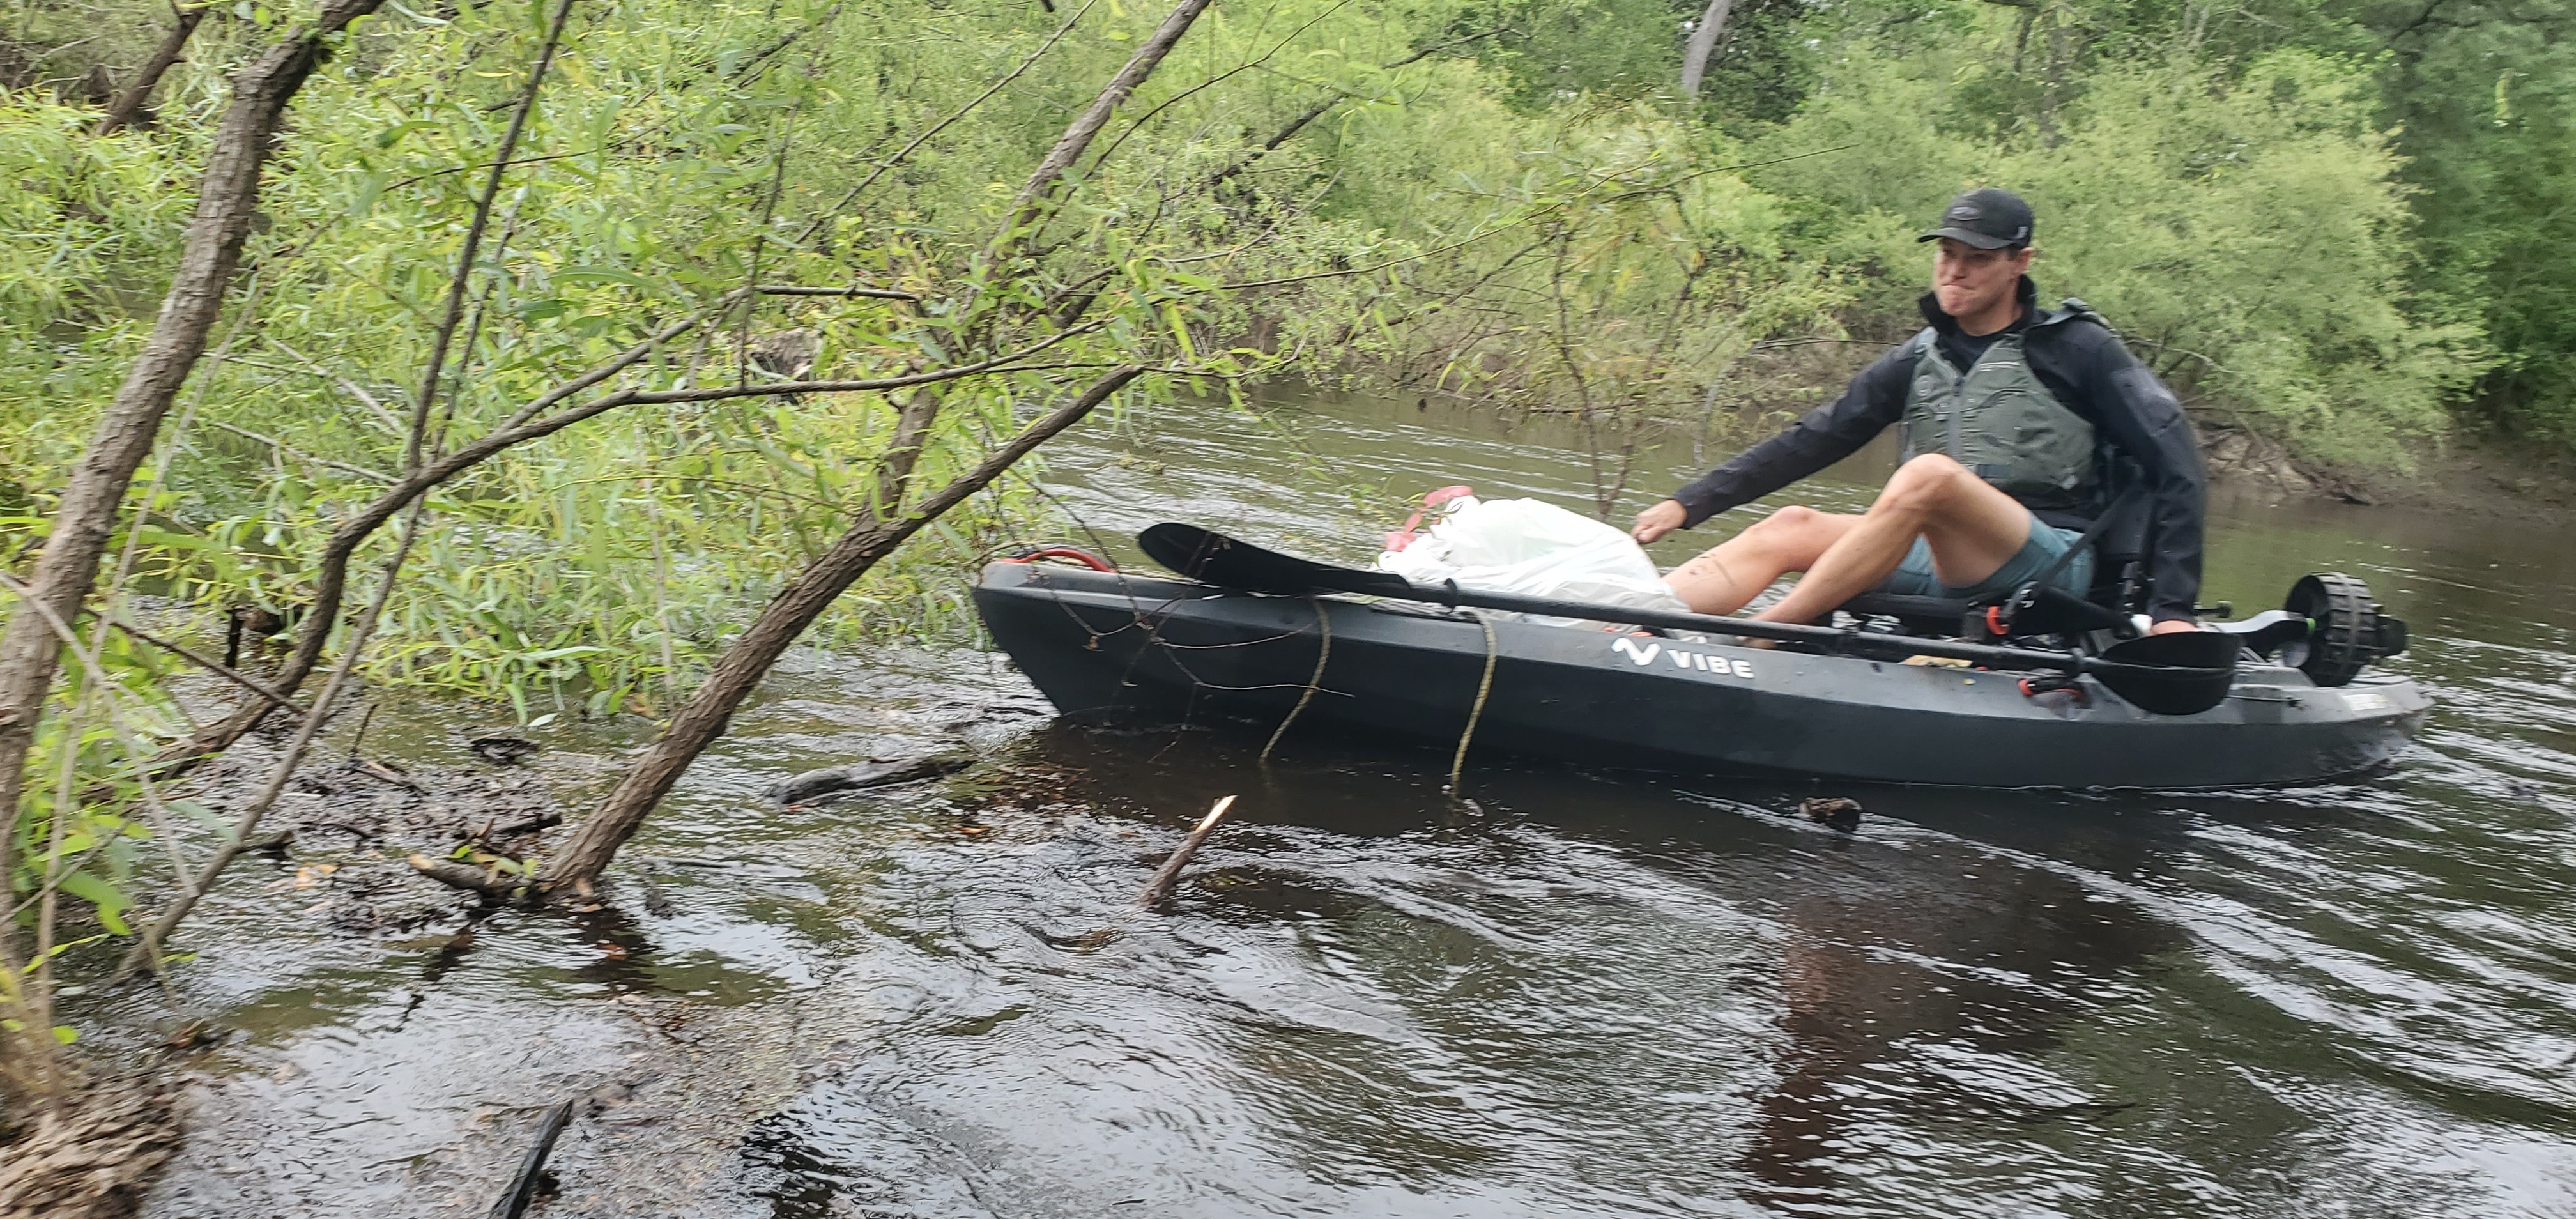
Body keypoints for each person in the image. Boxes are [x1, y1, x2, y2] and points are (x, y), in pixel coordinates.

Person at [1630, 187, 2206, 637]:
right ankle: (1618, 629)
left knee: (1928, 475)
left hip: (2051, 565)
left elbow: (2179, 463)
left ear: (2018, 262)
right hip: (1939, 554)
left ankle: (1764, 636)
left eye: (1976, 259)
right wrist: (1690, 502)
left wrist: (2171, 609)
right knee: (1791, 527)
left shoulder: (2080, 350)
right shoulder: (1919, 356)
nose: (1954, 271)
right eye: (1947, 254)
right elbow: (1815, 439)